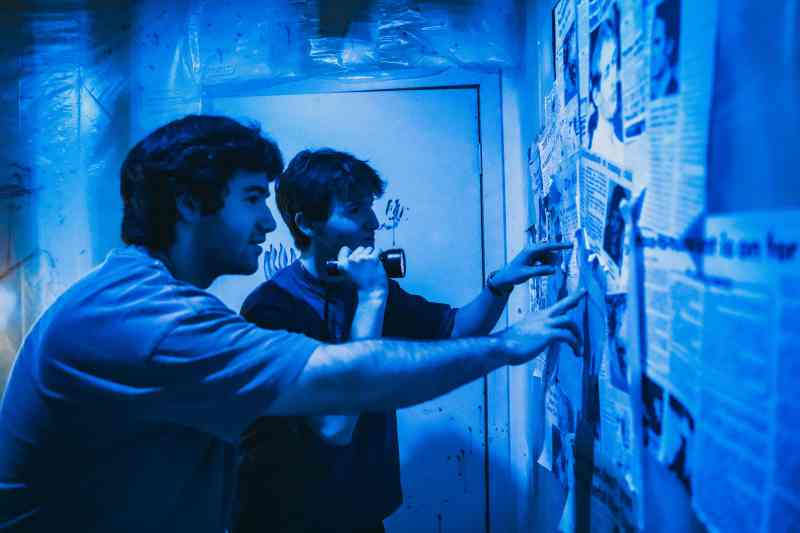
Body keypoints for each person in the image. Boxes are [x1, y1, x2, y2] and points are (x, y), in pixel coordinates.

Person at [0, 115, 585, 532]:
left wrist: (498, 286)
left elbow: (451, 328)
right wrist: (506, 346)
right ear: (189, 204)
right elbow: (338, 406)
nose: (265, 223)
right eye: (252, 199)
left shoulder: (151, 296)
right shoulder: (150, 317)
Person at [233, 148, 573, 533]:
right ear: (307, 224)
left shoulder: (362, 286)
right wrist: (372, 298)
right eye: (355, 210)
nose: (374, 222)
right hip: (288, 518)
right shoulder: (272, 310)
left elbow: (457, 329)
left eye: (370, 207)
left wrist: (499, 284)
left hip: (359, 510)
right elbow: (333, 428)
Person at [587, 7, 624, 163]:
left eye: (614, 62)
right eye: (607, 71)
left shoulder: (619, 146)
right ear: (595, 95)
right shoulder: (597, 151)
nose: (615, 78)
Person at [650, 0, 680, 100]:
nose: (650, 52)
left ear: (669, 46)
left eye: (656, 42)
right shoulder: (652, 91)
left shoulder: (675, 87)